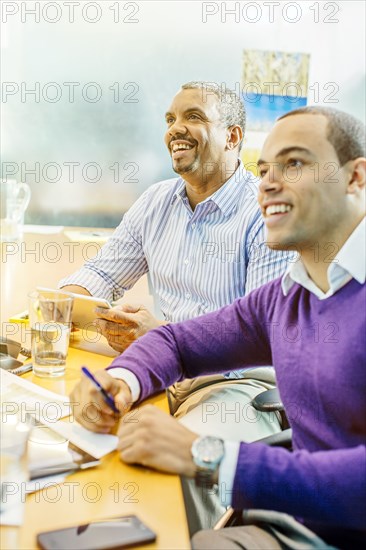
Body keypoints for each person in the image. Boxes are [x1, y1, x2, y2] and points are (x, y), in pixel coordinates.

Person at [70, 106, 366, 549]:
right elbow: (177, 342)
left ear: (356, 178)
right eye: (263, 168)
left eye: (294, 163)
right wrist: (124, 381)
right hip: (300, 525)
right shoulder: (288, 296)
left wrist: (210, 455)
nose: (267, 183)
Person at [60, 81, 290, 445]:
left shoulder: (264, 211)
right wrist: (57, 304)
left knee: (179, 467)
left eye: (193, 117)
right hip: (160, 370)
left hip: (234, 386)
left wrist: (162, 335)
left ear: (232, 137)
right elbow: (102, 273)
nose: (174, 129)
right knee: (78, 433)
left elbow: (258, 335)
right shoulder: (156, 201)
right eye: (170, 119)